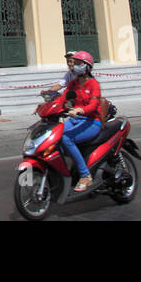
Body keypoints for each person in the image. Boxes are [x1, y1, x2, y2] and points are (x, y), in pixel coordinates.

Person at [58, 51, 103, 193]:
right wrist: (46, 106)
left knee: (66, 138)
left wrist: (80, 110)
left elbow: (94, 105)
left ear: (87, 67)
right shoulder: (74, 84)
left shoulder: (93, 84)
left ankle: (85, 175)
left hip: (91, 122)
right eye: (74, 63)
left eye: (78, 63)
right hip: (76, 120)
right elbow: (62, 98)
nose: (75, 66)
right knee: (54, 134)